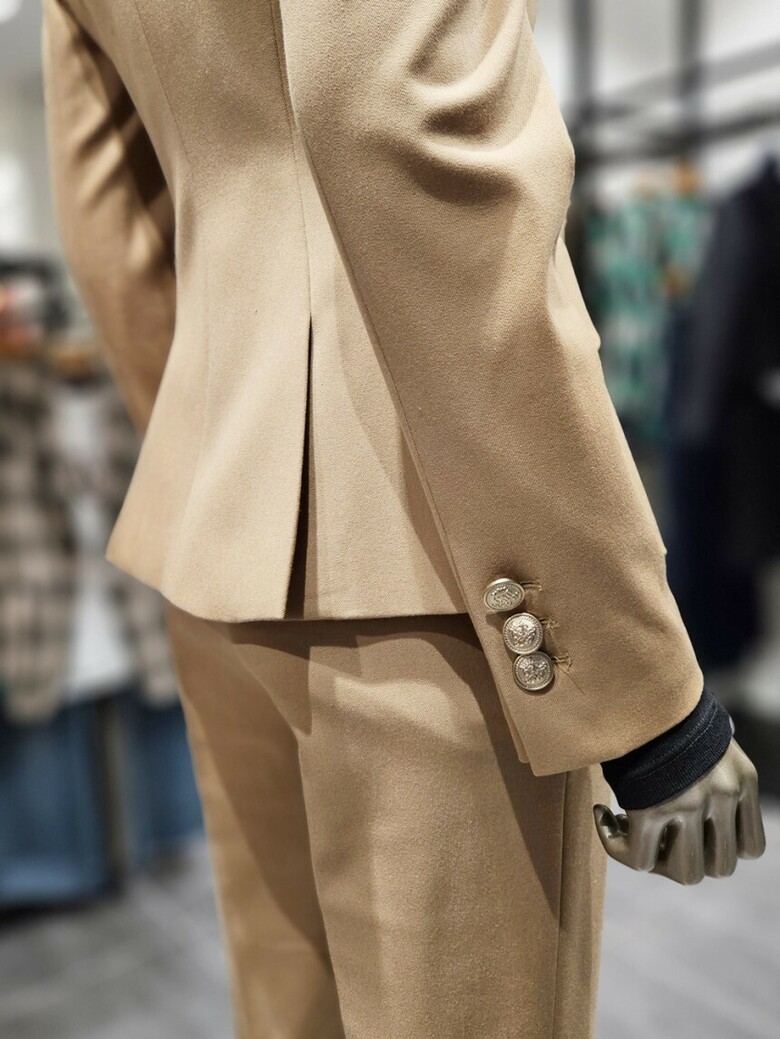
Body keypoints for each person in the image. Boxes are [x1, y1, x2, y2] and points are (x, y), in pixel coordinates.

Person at [40, 1, 765, 1036]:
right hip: (432, 565)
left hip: (216, 539)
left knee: (290, 1012)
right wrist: (648, 701)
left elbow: (109, 226)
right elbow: (402, 123)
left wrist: (228, 484)